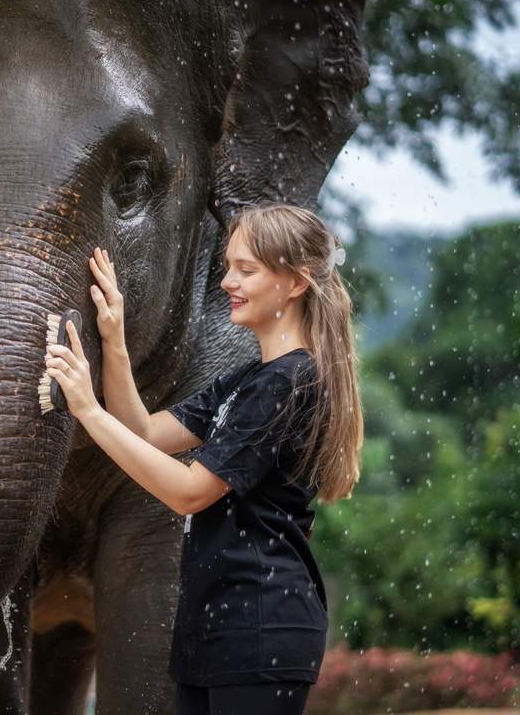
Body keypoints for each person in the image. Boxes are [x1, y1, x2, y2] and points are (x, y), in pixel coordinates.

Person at [44, 203, 363, 715]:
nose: (227, 283)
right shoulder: (247, 379)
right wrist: (114, 337)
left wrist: (86, 409)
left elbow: (190, 492)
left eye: (246, 270)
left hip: (260, 626)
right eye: (228, 267)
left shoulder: (288, 383)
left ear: (297, 282)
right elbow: (145, 431)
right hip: (214, 627)